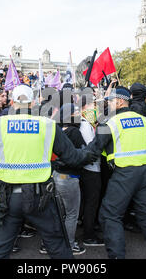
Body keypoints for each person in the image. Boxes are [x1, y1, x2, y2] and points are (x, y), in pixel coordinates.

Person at [0, 84, 97, 259]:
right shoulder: (47, 125)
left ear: (13, 102)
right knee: (59, 248)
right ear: (32, 104)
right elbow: (74, 157)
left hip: (9, 198)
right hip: (41, 199)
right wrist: (92, 151)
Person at [86, 87, 146, 259]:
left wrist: (72, 158)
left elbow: (94, 149)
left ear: (120, 101)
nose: (108, 104)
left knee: (110, 216)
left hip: (124, 174)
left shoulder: (110, 123)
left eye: (110, 101)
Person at [43, 103, 86, 255]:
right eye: (76, 112)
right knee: (71, 214)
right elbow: (82, 154)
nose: (79, 115)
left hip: (56, 175)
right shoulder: (74, 132)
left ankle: (46, 244)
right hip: (69, 176)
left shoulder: (57, 130)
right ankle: (70, 245)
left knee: (58, 212)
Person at [79, 94, 103, 247]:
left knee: (91, 201)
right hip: (90, 169)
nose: (95, 108)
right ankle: (88, 235)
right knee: (91, 202)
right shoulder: (85, 125)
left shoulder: (90, 123)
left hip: (93, 167)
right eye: (91, 105)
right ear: (83, 108)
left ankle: (90, 225)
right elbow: (92, 147)